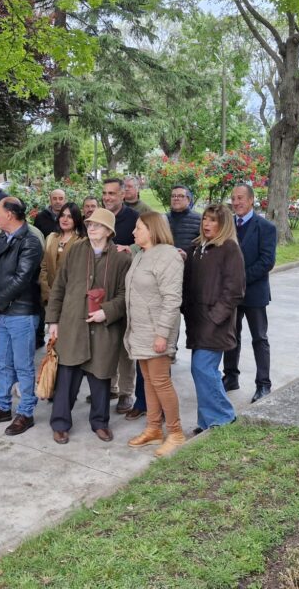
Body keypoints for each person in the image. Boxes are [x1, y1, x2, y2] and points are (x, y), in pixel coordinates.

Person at [45, 208, 130, 444]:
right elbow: (59, 287)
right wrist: (53, 320)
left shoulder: (122, 257)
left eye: (97, 225)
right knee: (66, 377)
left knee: (100, 376)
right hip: (72, 324)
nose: (91, 228)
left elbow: (126, 294)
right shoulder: (75, 251)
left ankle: (100, 422)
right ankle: (60, 423)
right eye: (90, 224)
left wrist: (108, 311)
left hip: (104, 328)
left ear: (109, 231)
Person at [0, 197, 43, 436]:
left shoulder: (31, 242)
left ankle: (25, 412)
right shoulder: (1, 238)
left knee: (23, 365)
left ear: (11, 215)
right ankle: (3, 407)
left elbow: (22, 279)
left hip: (22, 313)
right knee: (2, 362)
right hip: (1, 312)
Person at [124, 211, 185, 456]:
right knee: (148, 381)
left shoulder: (169, 256)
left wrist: (162, 334)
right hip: (140, 330)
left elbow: (172, 300)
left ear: (152, 229)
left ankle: (176, 433)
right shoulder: (140, 255)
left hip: (157, 332)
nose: (133, 232)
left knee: (160, 381)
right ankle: (153, 429)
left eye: (138, 228)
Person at [183, 203, 245, 433]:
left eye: (213, 220)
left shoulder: (229, 249)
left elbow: (235, 291)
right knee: (200, 371)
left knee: (203, 368)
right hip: (196, 321)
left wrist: (214, 317)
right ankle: (207, 421)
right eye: (205, 219)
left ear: (223, 224)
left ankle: (223, 417)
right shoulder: (197, 247)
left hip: (215, 323)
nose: (206, 224)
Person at [224, 184, 277, 403]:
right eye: (233, 198)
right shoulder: (227, 226)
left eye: (241, 198)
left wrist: (240, 279)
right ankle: (230, 377)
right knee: (230, 337)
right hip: (232, 295)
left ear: (251, 200)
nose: (236, 202)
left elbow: (267, 261)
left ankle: (263, 384)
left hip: (254, 294)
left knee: (259, 338)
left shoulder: (265, 227)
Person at [101, 177, 140, 411]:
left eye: (112, 194)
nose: (107, 197)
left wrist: (131, 249)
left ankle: (127, 392)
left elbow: (146, 246)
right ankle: (110, 386)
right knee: (106, 341)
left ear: (123, 195)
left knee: (125, 344)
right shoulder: (99, 217)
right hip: (103, 289)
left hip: (127, 290)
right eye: (105, 193)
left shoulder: (134, 219)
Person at [39, 202, 86, 307]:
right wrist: (47, 293)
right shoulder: (51, 237)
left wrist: (61, 296)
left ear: (76, 219)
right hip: (49, 299)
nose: (65, 219)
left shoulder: (82, 242)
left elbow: (80, 274)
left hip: (70, 300)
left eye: (69, 217)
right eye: (62, 215)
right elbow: (44, 267)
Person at [166, 185, 202, 254]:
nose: (176, 198)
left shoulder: (199, 220)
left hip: (191, 262)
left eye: (180, 196)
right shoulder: (163, 219)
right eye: (173, 196)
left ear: (188, 200)